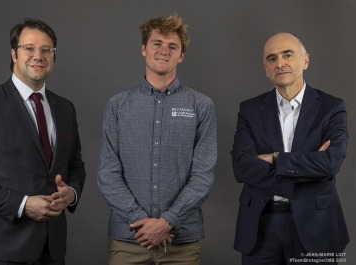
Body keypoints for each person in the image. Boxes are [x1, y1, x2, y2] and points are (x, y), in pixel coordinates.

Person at [0, 18, 86, 265]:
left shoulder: (65, 108)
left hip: (51, 250)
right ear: (14, 54)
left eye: (46, 50)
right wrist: (23, 205)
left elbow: (76, 165)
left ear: (53, 57)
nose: (39, 56)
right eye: (29, 48)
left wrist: (72, 193)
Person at [98, 14, 217, 265]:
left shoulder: (202, 106)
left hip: (181, 241)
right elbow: (108, 174)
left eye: (172, 46)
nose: (164, 51)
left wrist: (167, 222)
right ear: (144, 49)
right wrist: (141, 221)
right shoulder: (117, 105)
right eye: (157, 43)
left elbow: (203, 176)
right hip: (129, 239)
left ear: (181, 55)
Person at [231, 32, 349, 265]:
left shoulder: (332, 107)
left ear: (305, 60)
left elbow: (330, 163)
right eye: (272, 58)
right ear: (266, 68)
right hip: (260, 227)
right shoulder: (250, 109)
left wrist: (274, 158)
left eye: (288, 55)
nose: (280, 63)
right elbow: (242, 167)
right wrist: (307, 165)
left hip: (316, 225)